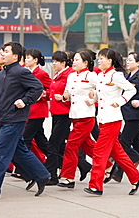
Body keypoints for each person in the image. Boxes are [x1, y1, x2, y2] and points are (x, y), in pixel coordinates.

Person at [0, 42, 50, 199]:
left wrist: (24, 101)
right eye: (2, 51)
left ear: (15, 56)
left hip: (14, 118)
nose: (2, 54)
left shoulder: (20, 72)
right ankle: (42, 175)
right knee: (19, 151)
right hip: (1, 119)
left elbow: (37, 87)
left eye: (6, 52)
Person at [84, 48, 139, 196]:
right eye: (99, 58)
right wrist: (93, 98)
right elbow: (101, 95)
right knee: (118, 153)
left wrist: (120, 101)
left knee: (99, 153)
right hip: (103, 119)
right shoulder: (100, 76)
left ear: (110, 60)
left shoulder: (115, 75)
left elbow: (131, 90)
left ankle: (96, 186)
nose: (99, 60)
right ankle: (135, 178)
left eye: (102, 58)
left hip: (112, 120)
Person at [58, 50, 112, 188]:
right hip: (75, 115)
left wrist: (94, 100)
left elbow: (104, 91)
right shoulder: (70, 76)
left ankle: (68, 177)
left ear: (85, 63)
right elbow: (69, 95)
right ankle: (108, 165)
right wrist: (64, 96)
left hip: (86, 116)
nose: (73, 62)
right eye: (73, 60)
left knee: (71, 145)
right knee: (87, 145)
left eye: (77, 60)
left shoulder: (92, 75)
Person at [108, 52, 139, 183]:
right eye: (127, 59)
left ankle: (121, 168)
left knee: (123, 142)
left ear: (138, 63)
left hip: (137, 115)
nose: (128, 62)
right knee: (138, 144)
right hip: (127, 113)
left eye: (131, 60)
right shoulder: (125, 76)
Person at [44, 51, 74, 185]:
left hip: (64, 113)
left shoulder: (69, 75)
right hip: (56, 112)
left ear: (63, 63)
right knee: (60, 145)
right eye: (53, 61)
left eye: (57, 61)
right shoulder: (58, 74)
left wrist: (63, 98)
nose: (54, 63)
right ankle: (84, 166)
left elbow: (73, 94)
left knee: (53, 144)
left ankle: (52, 175)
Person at [22, 48, 51, 156]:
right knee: (40, 141)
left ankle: (23, 169)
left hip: (37, 111)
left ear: (35, 60)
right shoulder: (25, 72)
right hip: (28, 111)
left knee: (25, 139)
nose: (26, 60)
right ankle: (57, 161)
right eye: (25, 57)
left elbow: (51, 89)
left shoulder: (41, 74)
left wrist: (44, 94)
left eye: (28, 58)